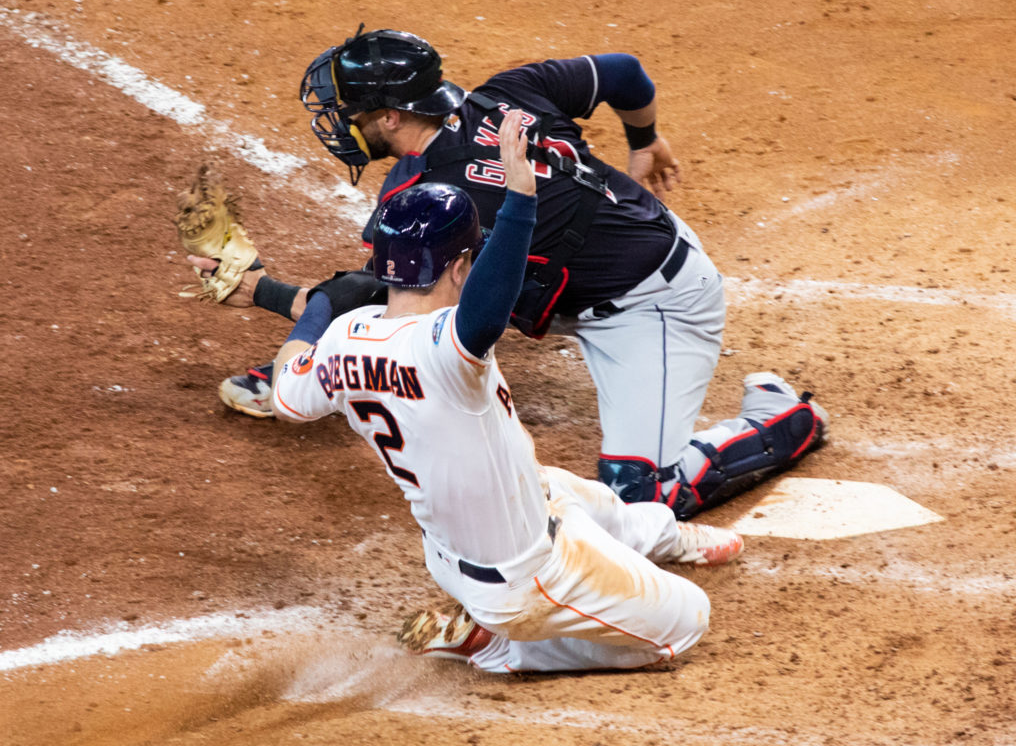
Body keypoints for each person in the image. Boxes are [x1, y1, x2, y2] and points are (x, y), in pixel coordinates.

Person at [199, 27, 829, 520]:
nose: (340, 123)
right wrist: (646, 139)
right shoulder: (509, 91)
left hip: (655, 305)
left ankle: (781, 416)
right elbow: (625, 73)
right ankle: (324, 369)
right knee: (433, 299)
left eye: (352, 111)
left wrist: (263, 292)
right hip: (615, 251)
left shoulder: (427, 190)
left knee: (644, 501)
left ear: (391, 116)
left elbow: (369, 294)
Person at [269, 110, 744, 672]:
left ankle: (666, 538)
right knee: (688, 621)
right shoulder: (444, 345)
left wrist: (322, 305)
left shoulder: (346, 336)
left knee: (577, 495)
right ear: (461, 267)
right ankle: (498, 648)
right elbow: (486, 310)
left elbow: (285, 391)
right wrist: (520, 195)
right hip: (524, 578)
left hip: (458, 549)